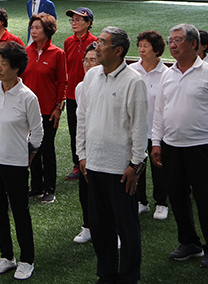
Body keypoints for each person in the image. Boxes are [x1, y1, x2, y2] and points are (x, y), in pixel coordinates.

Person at [150, 23, 208, 269]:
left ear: (193, 44)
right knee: (177, 197)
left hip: (204, 147)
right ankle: (189, 243)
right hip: (172, 147)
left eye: (178, 40)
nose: (173, 44)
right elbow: (159, 113)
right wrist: (157, 143)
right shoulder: (168, 73)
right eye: (171, 40)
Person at [76, 26, 147, 284]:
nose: (96, 44)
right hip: (93, 165)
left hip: (121, 169)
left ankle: (129, 277)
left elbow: (140, 127)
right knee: (100, 226)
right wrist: (81, 155)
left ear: (118, 50)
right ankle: (106, 274)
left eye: (103, 42)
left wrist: (135, 165)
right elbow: (82, 117)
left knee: (126, 227)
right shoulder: (92, 76)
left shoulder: (134, 81)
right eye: (98, 40)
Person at [0, 41, 43, 279]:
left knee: (20, 212)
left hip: (16, 164)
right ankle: (7, 256)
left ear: (17, 68)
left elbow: (37, 132)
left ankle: (27, 259)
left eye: (4, 64)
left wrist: (28, 153)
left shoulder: (28, 97)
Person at [21, 14, 67, 204]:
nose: (33, 31)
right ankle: (36, 186)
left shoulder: (57, 54)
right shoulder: (26, 52)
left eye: (38, 27)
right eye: (32, 27)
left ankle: (50, 188)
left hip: (48, 110)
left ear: (48, 31)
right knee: (31, 148)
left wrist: (58, 107)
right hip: (27, 110)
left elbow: (62, 82)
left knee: (46, 149)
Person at [129, 30, 170, 220]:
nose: (141, 50)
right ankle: (140, 201)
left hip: (158, 130)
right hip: (136, 128)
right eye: (140, 46)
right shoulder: (131, 71)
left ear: (157, 50)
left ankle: (161, 203)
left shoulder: (166, 73)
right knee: (138, 165)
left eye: (146, 46)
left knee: (159, 168)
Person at [63, 7, 97, 180]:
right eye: (72, 20)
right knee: (74, 129)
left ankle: (92, 161)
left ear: (88, 23)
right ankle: (77, 163)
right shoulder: (68, 42)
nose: (74, 23)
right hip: (71, 94)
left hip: (91, 92)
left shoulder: (96, 43)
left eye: (78, 20)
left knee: (91, 128)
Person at [71, 42, 100, 245]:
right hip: (87, 146)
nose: (88, 64)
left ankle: (113, 229)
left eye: (93, 60)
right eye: (86, 60)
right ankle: (88, 226)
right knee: (86, 188)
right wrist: (81, 152)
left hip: (105, 146)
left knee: (107, 191)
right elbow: (80, 121)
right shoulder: (81, 87)